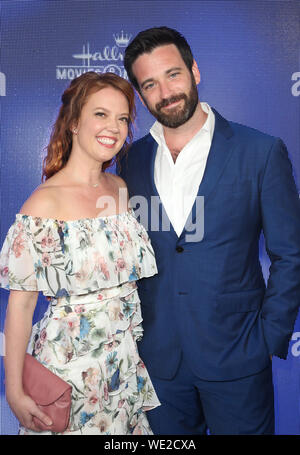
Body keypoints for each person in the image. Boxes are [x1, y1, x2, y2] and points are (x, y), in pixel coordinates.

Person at [120, 26, 300, 435]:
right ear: (140, 94)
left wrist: (270, 336)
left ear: (195, 71)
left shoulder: (260, 152)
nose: (165, 92)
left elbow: (291, 254)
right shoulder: (131, 160)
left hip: (238, 355)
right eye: (150, 84)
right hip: (158, 363)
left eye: (173, 74)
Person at [0, 71, 160, 435]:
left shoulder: (118, 188)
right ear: (73, 122)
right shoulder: (44, 202)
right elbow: (20, 306)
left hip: (123, 370)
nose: (114, 127)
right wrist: (14, 391)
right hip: (69, 371)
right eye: (100, 114)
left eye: (122, 118)